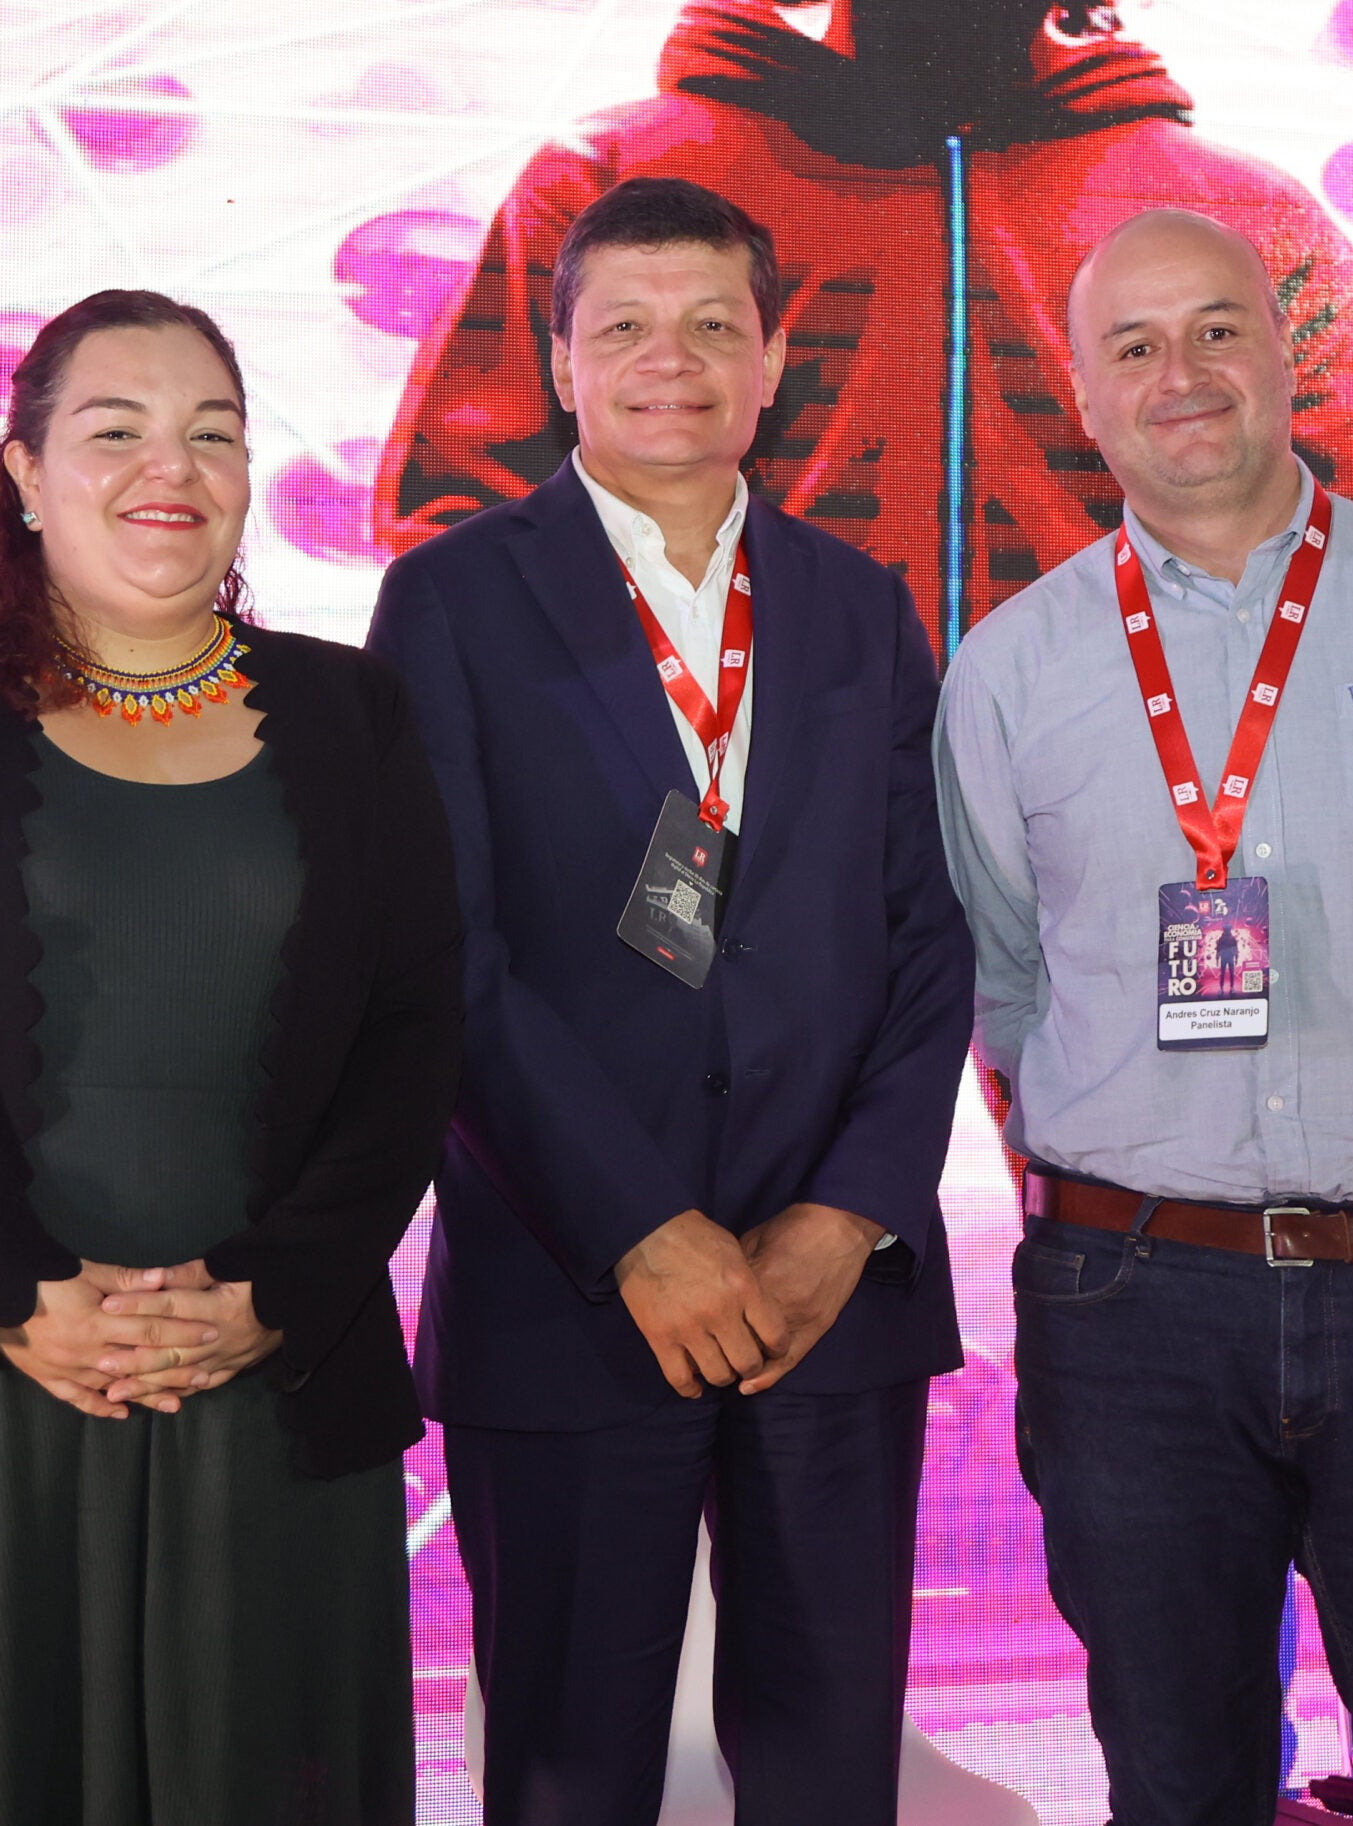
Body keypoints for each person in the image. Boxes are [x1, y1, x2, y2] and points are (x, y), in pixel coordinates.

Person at [0, 289, 463, 1825]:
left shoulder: (353, 713)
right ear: (26, 469)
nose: (165, 465)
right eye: (112, 428)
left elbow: (415, 1030)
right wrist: (8, 1294)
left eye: (212, 431)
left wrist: (274, 1291)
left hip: (256, 1375)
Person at [933, 209, 1353, 1826]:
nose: (1183, 375)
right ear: (1078, 395)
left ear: (1285, 352)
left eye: (1217, 329)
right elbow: (1005, 976)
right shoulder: (1010, 669)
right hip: (1131, 1303)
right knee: (1178, 1778)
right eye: (1134, 346)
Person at [367, 177, 973, 1826]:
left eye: (716, 324)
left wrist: (841, 1221)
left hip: (825, 1304)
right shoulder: (454, 600)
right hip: (569, 1288)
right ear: (562, 363)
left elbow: (933, 942)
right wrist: (642, 1230)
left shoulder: (861, 605)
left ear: (773, 359)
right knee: (569, 1774)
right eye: (623, 326)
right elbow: (445, 957)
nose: (672, 362)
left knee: (831, 1767)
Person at [375, 0, 1353, 659]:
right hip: (737, 824)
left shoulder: (1235, 218)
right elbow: (459, 529)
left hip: (1137, 824)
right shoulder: (615, 179)